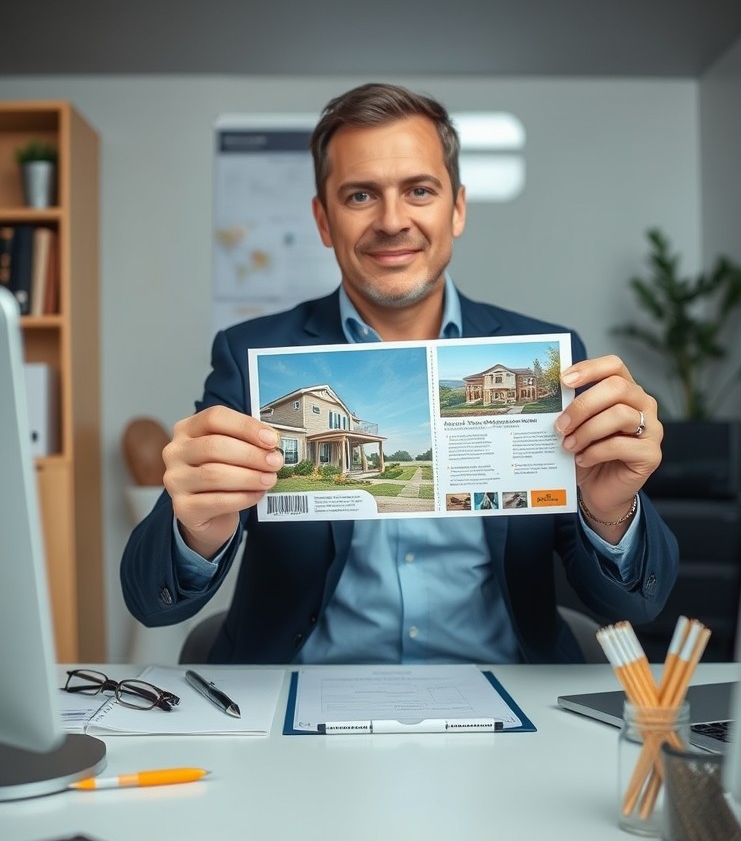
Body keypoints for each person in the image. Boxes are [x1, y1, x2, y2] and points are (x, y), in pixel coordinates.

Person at [121, 82, 678, 664]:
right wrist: (195, 529)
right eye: (360, 195)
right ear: (322, 219)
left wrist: (610, 515)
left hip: (507, 695)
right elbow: (153, 602)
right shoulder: (251, 355)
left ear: (456, 208)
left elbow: (638, 605)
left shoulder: (549, 357)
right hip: (297, 699)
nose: (392, 221)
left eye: (419, 190)